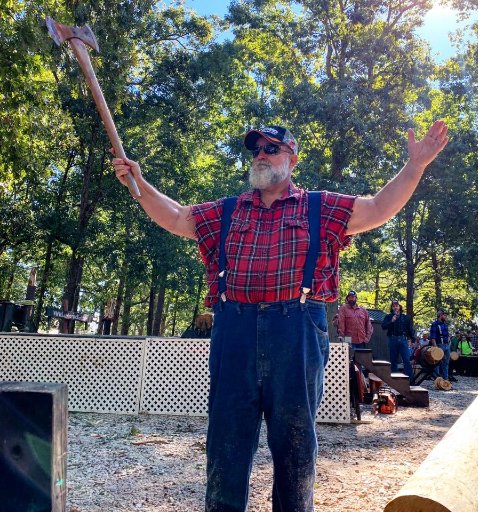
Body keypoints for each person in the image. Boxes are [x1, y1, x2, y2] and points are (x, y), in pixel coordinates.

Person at [112, 120, 448, 511]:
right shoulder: (227, 211)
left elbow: (378, 207)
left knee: (295, 445)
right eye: (256, 150)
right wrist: (139, 184)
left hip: (297, 332)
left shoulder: (320, 207)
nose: (261, 155)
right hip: (233, 331)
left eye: (271, 149)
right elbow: (175, 216)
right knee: (226, 444)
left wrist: (416, 166)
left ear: (292, 158)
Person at [382, 299, 415, 380]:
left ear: (400, 307)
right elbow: (383, 326)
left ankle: (410, 380)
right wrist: (391, 321)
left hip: (403, 340)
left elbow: (410, 329)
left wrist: (413, 340)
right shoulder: (388, 317)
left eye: (396, 306)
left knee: (406, 360)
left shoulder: (405, 317)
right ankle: (395, 380)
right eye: (393, 306)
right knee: (393, 360)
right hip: (393, 339)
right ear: (392, 308)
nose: (395, 307)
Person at [430, 309, 453, 382]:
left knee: (446, 363)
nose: (446, 317)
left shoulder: (445, 325)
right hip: (439, 345)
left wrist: (449, 342)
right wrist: (435, 347)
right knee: (437, 363)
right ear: (440, 315)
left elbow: (447, 335)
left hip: (446, 345)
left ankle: (445, 379)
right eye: (445, 315)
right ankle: (437, 380)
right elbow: (432, 337)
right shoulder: (435, 324)